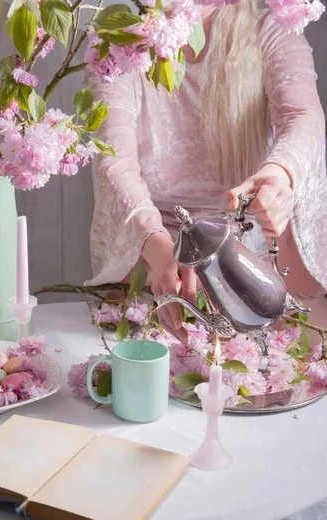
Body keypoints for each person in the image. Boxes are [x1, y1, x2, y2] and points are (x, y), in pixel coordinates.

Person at [87, 0, 327, 344]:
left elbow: (301, 116)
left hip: (252, 274)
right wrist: (160, 251)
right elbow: (114, 160)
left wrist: (279, 172)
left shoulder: (270, 34)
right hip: (153, 266)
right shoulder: (116, 44)